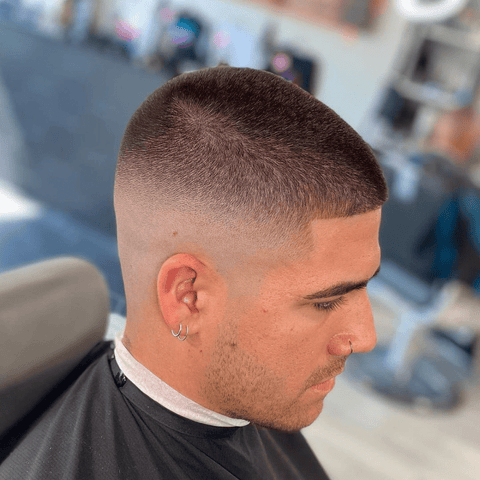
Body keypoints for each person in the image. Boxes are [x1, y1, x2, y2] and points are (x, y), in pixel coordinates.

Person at [0, 65, 388, 479]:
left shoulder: (252, 396)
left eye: (364, 287)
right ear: (188, 297)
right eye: (326, 301)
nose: (365, 337)